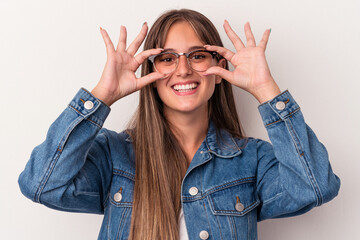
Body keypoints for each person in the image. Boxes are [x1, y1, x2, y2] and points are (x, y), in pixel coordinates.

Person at [18, 8, 340, 240]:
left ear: (219, 68)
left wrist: (266, 90)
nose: (183, 70)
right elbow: (41, 185)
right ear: (152, 74)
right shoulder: (113, 155)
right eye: (168, 58)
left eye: (197, 55)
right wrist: (102, 95)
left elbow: (314, 188)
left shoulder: (251, 161)